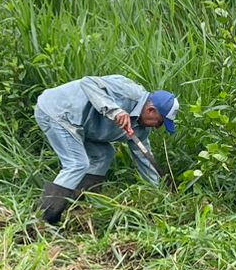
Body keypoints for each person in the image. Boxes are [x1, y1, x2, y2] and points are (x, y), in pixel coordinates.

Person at [33, 75, 178, 225]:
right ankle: (43, 217)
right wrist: (115, 111)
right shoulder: (128, 92)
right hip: (57, 111)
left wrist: (159, 193)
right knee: (77, 164)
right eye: (160, 122)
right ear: (151, 110)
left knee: (104, 155)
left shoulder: (141, 129)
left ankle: (79, 205)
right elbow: (88, 82)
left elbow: (144, 159)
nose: (157, 127)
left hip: (80, 125)